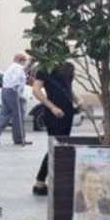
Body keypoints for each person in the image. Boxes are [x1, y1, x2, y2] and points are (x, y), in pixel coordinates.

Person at [31, 62, 78, 196]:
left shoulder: (68, 66)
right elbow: (36, 90)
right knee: (56, 145)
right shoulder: (45, 68)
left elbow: (68, 88)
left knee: (62, 145)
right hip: (53, 113)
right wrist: (52, 107)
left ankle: (51, 181)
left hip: (67, 111)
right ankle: (40, 181)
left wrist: (77, 100)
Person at [0, 53, 30, 145]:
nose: (25, 63)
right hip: (13, 91)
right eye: (24, 60)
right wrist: (17, 92)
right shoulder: (18, 68)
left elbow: (23, 72)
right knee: (18, 115)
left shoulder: (11, 67)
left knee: (4, 115)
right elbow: (16, 80)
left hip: (5, 90)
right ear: (21, 60)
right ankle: (19, 139)